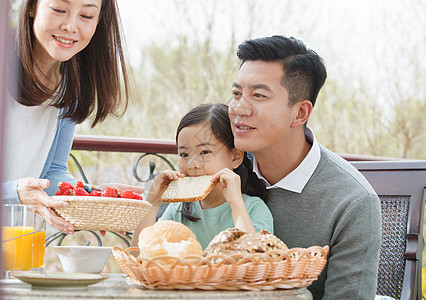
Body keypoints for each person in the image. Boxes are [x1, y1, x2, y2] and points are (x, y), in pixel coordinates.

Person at [228, 35, 382, 299]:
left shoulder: (353, 201)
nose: (239, 108)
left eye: (258, 95)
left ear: (300, 113)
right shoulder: (220, 169)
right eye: (236, 93)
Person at [2, 0, 143, 234]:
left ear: (99, 21)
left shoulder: (70, 84)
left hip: (11, 242)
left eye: (86, 16)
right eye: (59, 10)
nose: (70, 26)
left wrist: (95, 198)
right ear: (31, 7)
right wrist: (14, 192)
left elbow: (52, 173)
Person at [131, 103, 273, 249]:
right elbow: (137, 257)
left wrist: (235, 202)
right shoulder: (177, 210)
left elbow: (254, 261)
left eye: (204, 152)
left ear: (235, 156)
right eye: (184, 154)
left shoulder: (253, 208)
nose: (192, 165)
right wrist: (152, 203)